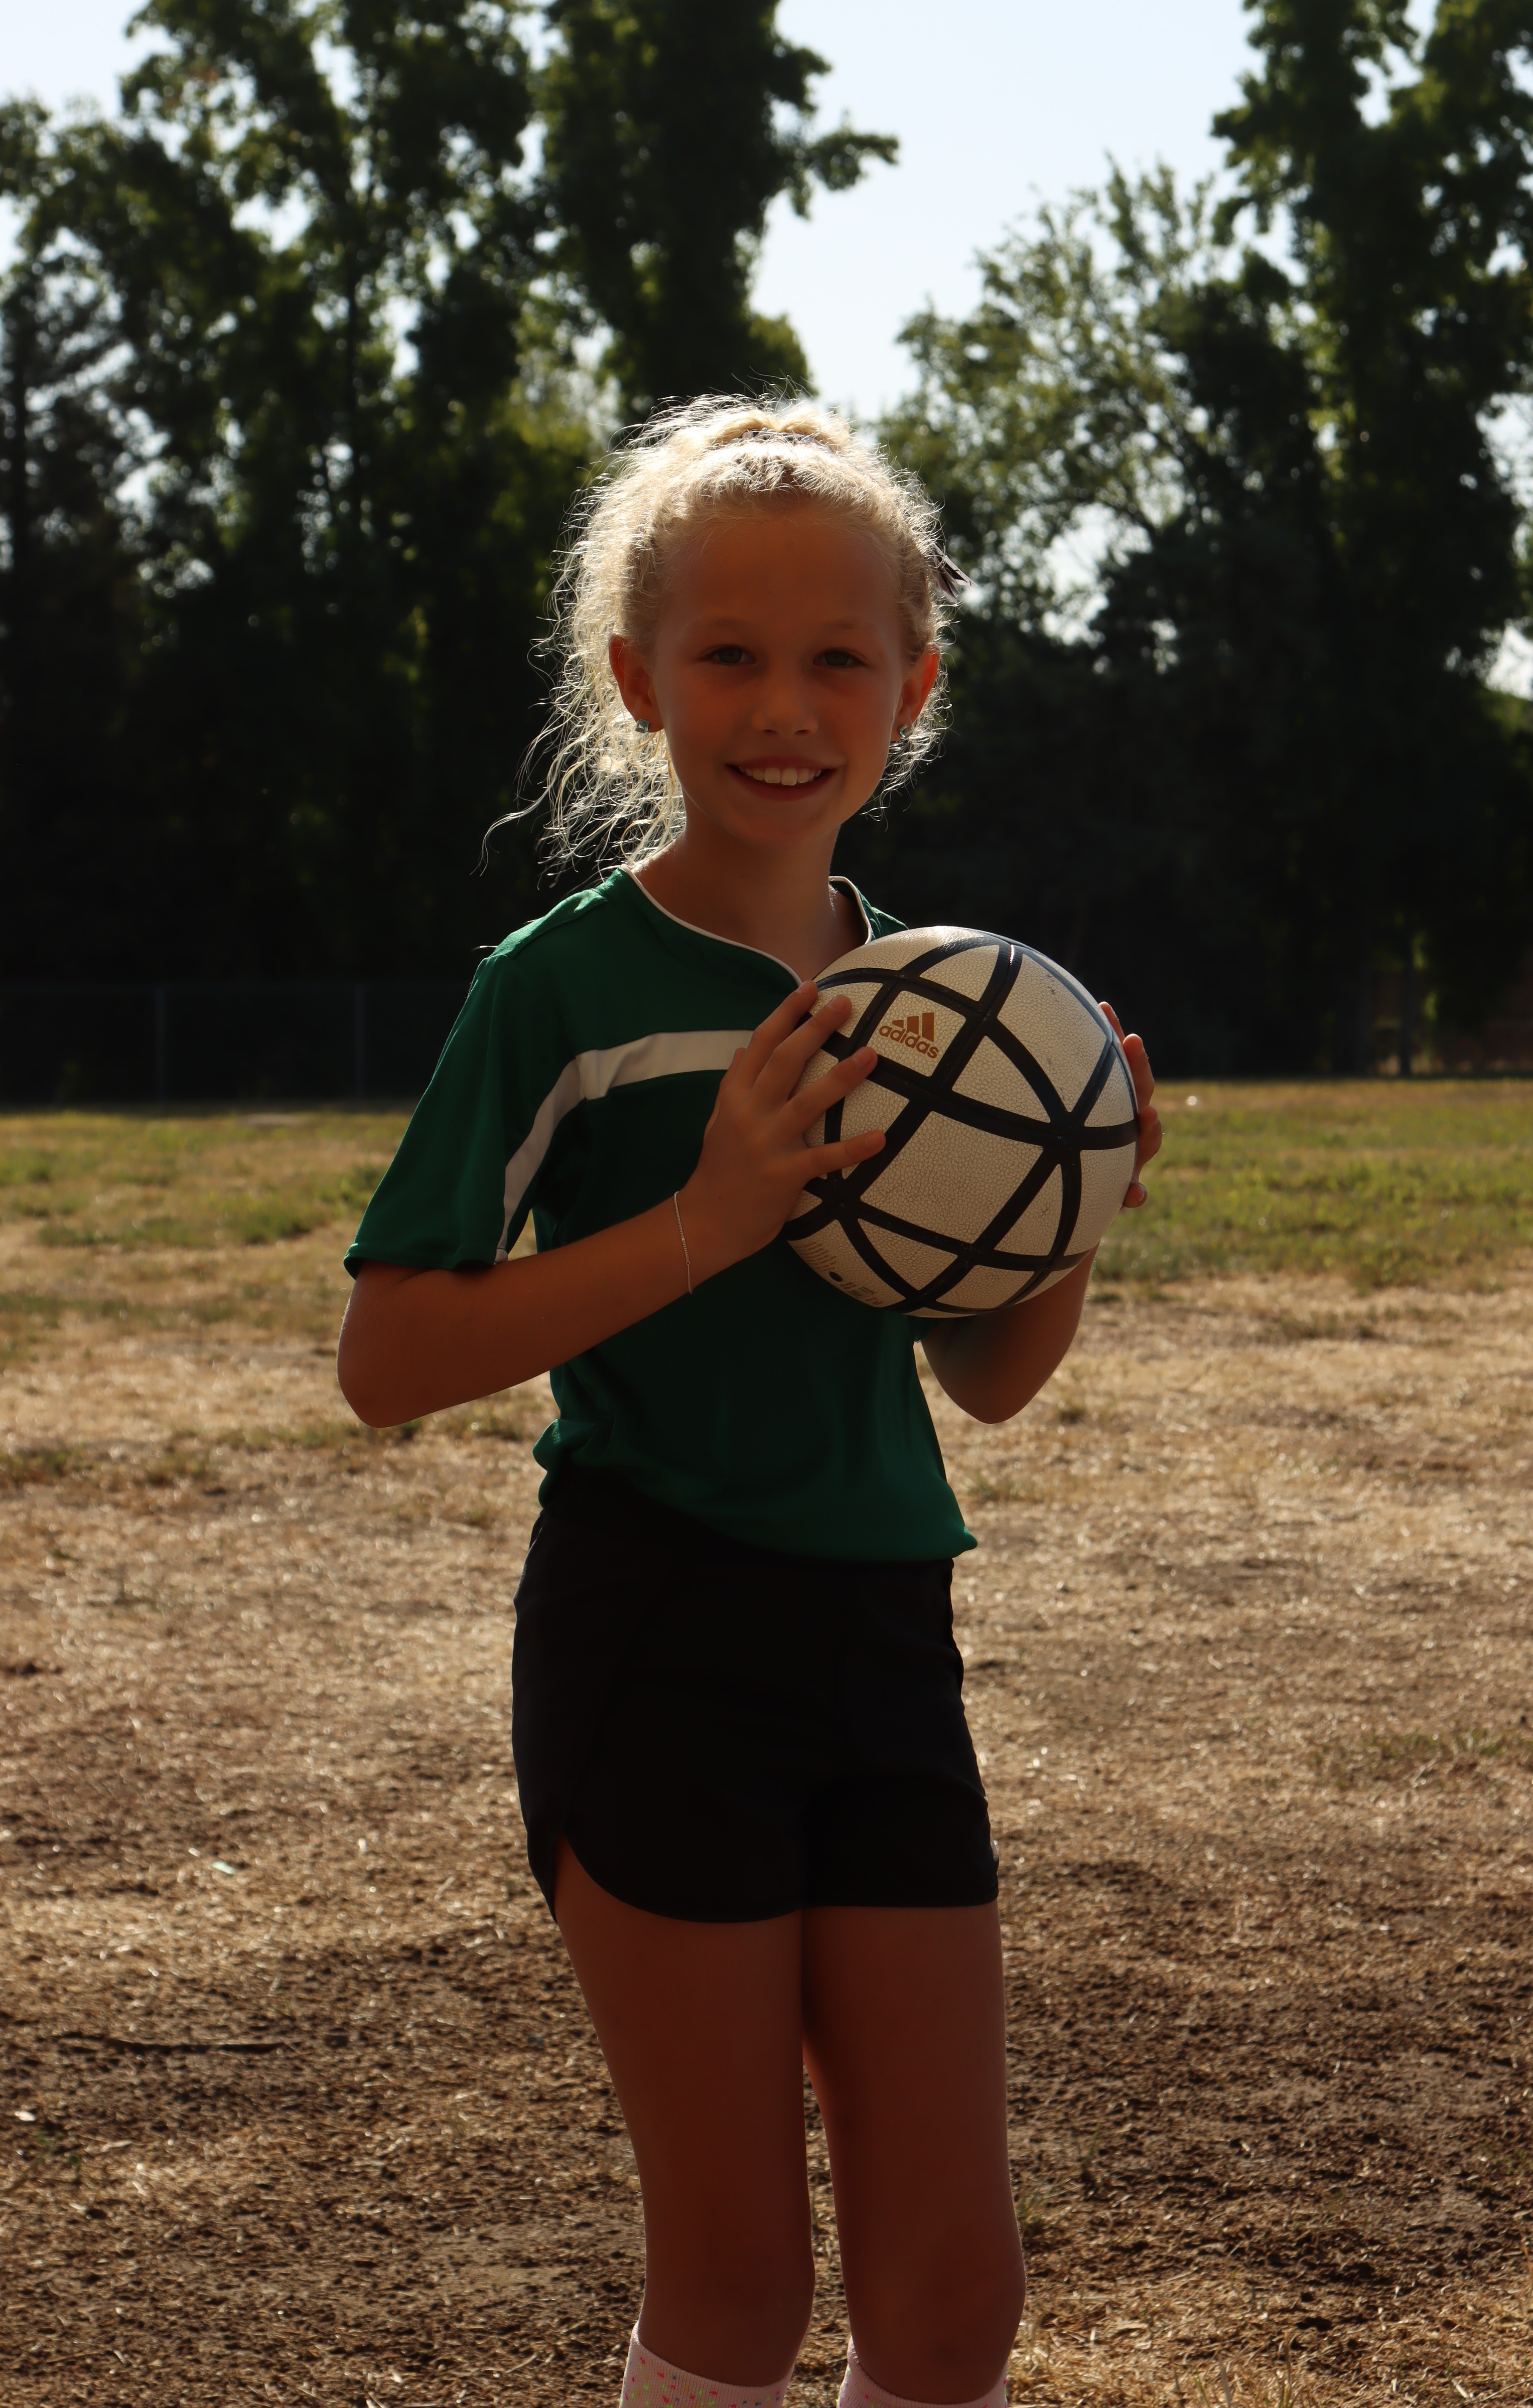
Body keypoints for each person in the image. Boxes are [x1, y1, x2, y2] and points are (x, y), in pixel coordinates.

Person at [337, 398, 1162, 2408]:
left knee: (952, 2300)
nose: (785, 708)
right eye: (728, 654)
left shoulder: (942, 1004)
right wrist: (707, 1218)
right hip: (659, 1628)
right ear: (638, 680)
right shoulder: (562, 987)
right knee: (735, 2283)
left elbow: (987, 1385)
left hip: (883, 1632)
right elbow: (390, 1357)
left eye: (836, 660)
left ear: (913, 689)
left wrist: (1066, 1209)